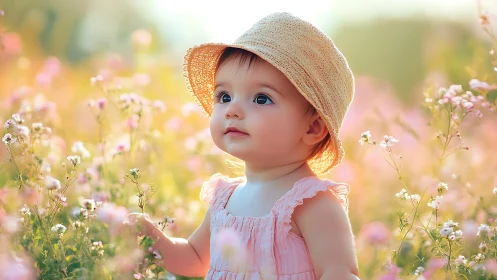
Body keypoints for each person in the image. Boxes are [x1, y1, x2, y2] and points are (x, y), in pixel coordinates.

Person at [130, 12, 359, 279]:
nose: (233, 110)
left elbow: (339, 272)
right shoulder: (225, 199)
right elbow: (194, 258)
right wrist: (151, 237)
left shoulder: (312, 203)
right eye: (224, 96)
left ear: (312, 128)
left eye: (261, 99)